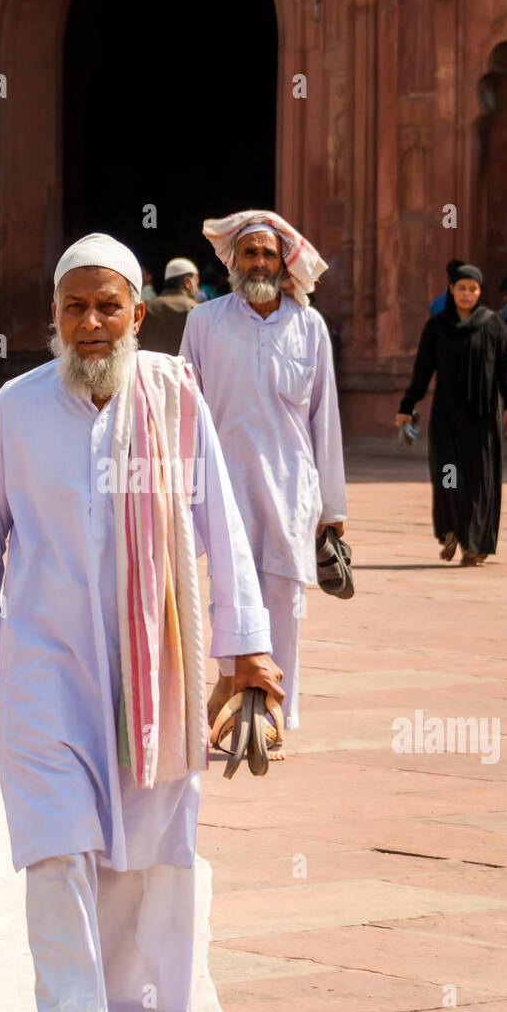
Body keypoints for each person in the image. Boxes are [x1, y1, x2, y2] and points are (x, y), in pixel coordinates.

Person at [0, 232, 283, 1012]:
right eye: (74, 307)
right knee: (55, 845)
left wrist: (245, 647)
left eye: (108, 306)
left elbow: (220, 527)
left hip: (152, 670)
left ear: (138, 313)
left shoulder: (174, 397)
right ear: (52, 317)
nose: (91, 324)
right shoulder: (16, 409)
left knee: (134, 850)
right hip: (44, 668)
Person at [180, 209, 347, 746]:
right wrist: (181, 489)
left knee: (283, 605)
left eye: (267, 254)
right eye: (249, 252)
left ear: (283, 263)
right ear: (233, 260)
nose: (258, 261)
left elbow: (325, 418)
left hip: (292, 489)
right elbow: (184, 410)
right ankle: (230, 701)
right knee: (230, 596)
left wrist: (333, 511)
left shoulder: (309, 326)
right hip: (224, 486)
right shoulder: (204, 323)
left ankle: (271, 717)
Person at [395, 264, 507, 566]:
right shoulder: (437, 326)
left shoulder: (493, 326)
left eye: (473, 289)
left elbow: (506, 371)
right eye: (461, 287)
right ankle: (452, 529)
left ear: (480, 292)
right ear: (451, 289)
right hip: (447, 419)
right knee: (449, 477)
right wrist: (406, 406)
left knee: (480, 480)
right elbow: (422, 371)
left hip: (482, 419)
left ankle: (475, 544)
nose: (467, 294)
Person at [138, 257, 199, 354]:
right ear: (187, 283)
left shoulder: (145, 307)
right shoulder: (196, 309)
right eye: (197, 284)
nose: (198, 290)